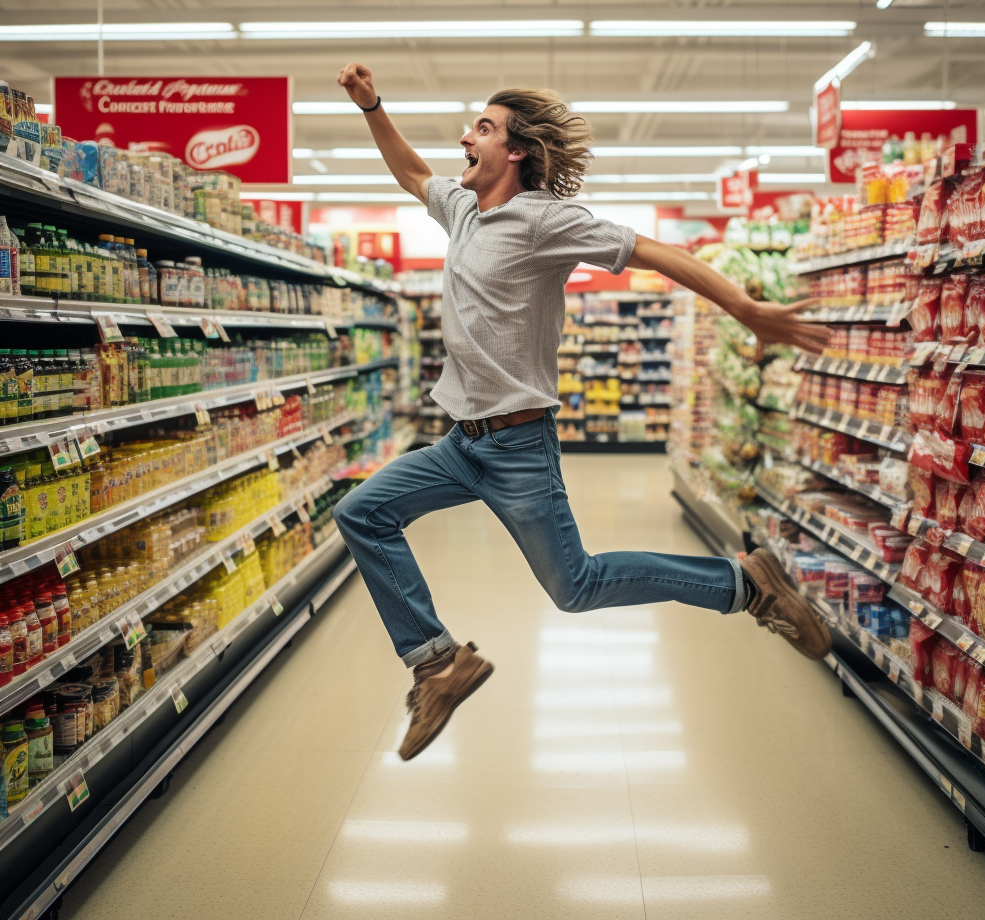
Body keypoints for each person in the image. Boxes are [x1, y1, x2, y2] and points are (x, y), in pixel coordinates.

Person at [332, 62, 833, 761]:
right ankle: (438, 662)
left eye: (481, 127)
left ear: (516, 152)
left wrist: (747, 310)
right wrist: (372, 107)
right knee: (361, 513)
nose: (463, 137)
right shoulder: (461, 208)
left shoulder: (545, 221)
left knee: (578, 587)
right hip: (458, 444)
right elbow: (410, 170)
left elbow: (659, 253)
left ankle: (743, 586)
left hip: (516, 449)